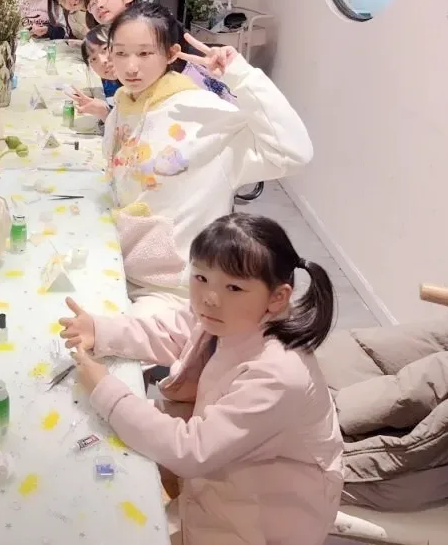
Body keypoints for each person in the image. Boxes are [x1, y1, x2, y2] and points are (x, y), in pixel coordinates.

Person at [60, 213, 342, 545]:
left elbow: (191, 451)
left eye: (234, 287)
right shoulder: (231, 315)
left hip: (265, 512)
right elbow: (173, 331)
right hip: (224, 467)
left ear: (277, 297)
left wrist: (105, 389)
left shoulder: (279, 374)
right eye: (201, 277)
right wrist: (100, 329)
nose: (209, 297)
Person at [103, 5, 312, 317]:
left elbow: (291, 153)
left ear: (171, 54)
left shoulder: (200, 112)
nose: (131, 66)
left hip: (177, 291)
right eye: (121, 53)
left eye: (145, 53)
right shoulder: (123, 106)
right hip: (119, 267)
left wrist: (241, 76)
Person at [71, 26, 117, 120]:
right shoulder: (111, 84)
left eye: (105, 49)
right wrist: (104, 113)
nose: (102, 61)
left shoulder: (140, 85)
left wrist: (106, 114)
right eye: (93, 59)